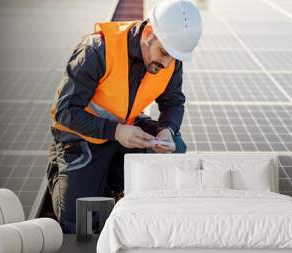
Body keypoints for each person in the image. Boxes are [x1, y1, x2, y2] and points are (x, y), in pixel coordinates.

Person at [46, 0, 202, 233]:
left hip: (124, 128)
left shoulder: (171, 59)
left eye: (173, 58)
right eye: (164, 53)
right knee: (80, 223)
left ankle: (110, 180)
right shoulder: (96, 50)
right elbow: (65, 112)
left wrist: (167, 129)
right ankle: (61, 167)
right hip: (82, 137)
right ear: (149, 33)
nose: (167, 63)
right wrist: (116, 131)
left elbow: (173, 102)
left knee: (175, 146)